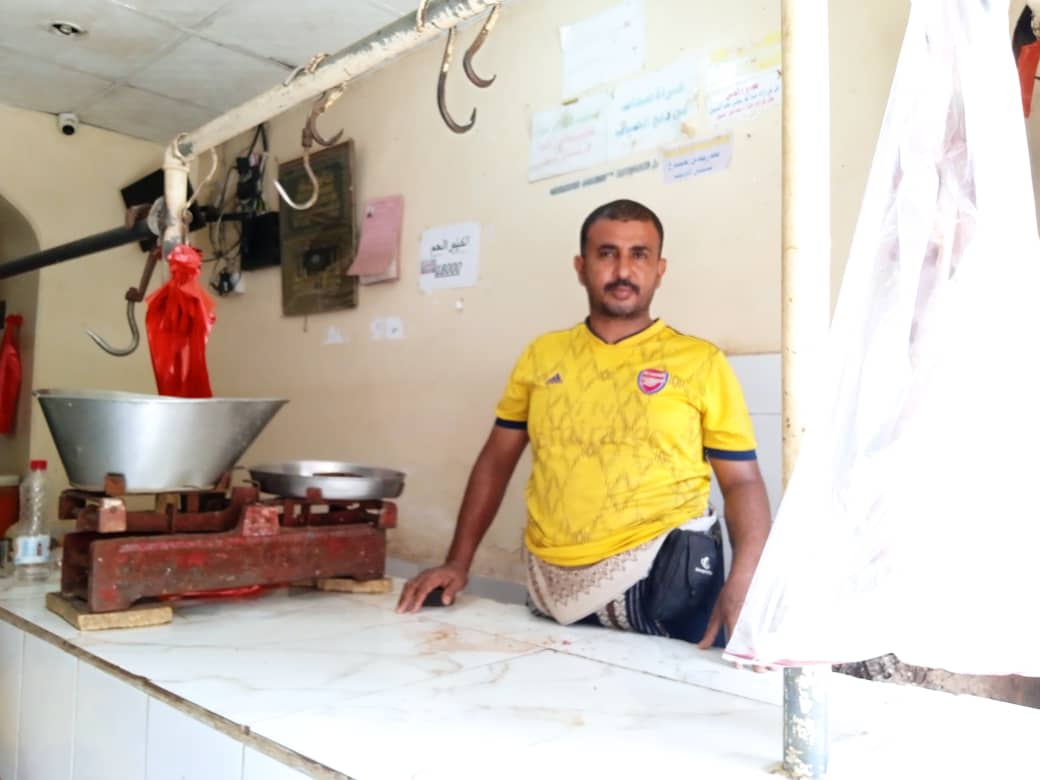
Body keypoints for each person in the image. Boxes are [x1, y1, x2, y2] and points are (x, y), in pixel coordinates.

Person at [397, 199, 771, 650]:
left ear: (659, 269)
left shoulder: (700, 361)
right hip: (550, 586)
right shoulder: (542, 356)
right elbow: (496, 460)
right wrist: (457, 562)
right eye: (607, 253)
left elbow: (742, 481)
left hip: (665, 581)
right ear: (581, 266)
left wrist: (747, 578)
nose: (623, 270)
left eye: (639, 255)